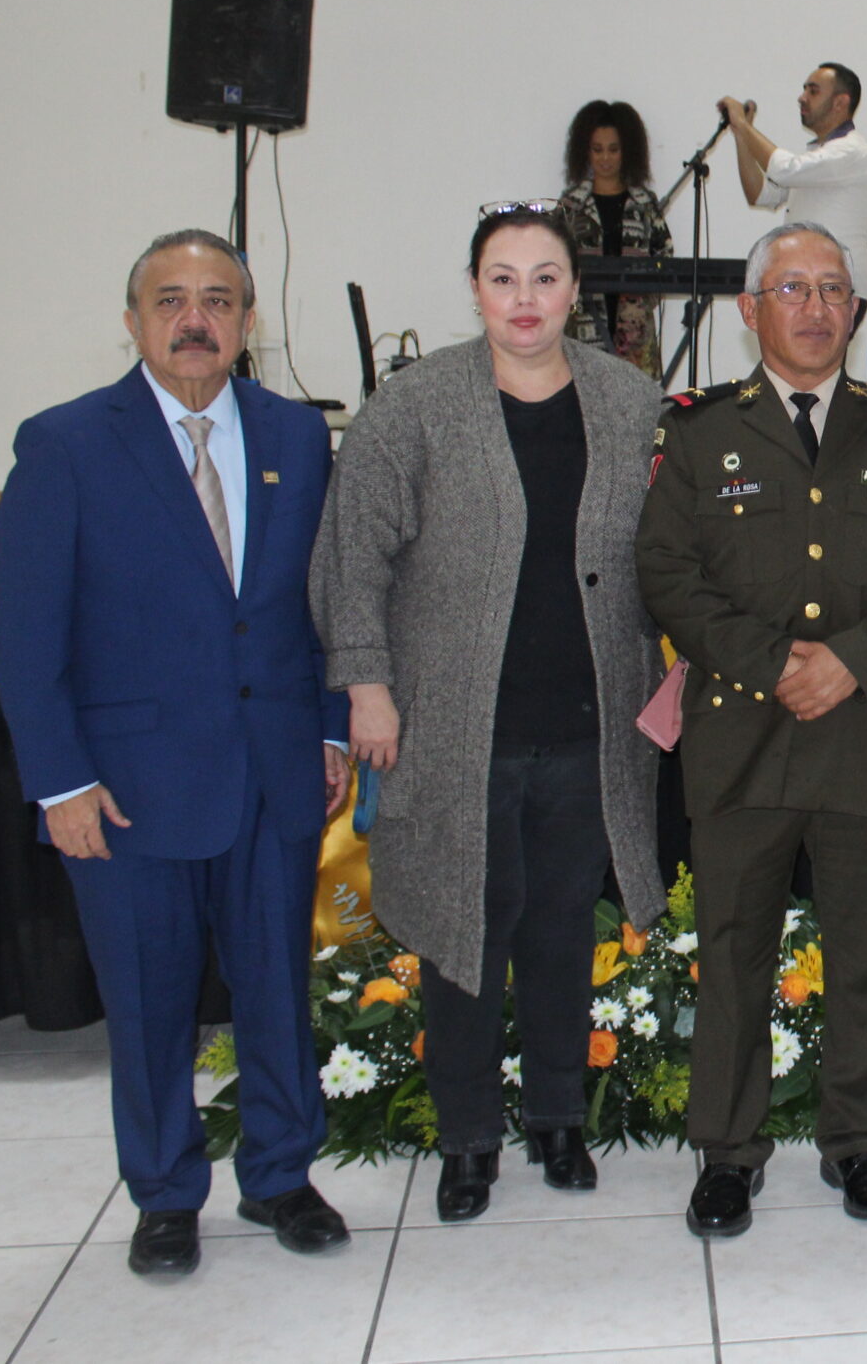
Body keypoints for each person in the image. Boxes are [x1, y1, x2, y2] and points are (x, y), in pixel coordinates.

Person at [0, 228, 351, 1276]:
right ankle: (164, 1192)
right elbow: (27, 633)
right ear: (133, 320)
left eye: (217, 300)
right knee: (149, 1004)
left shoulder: (297, 434)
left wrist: (330, 725)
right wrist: (60, 781)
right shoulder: (65, 443)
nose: (195, 320)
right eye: (171, 300)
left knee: (276, 991)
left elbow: (327, 602)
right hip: (127, 790)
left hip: (274, 774)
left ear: (248, 320)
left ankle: (280, 1174)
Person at [309, 203, 665, 1222]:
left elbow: (672, 550)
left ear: (575, 290)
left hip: (589, 723)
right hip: (454, 727)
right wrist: (366, 685)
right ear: (474, 290)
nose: (525, 299)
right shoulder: (414, 406)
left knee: (561, 927)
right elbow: (352, 558)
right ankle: (467, 1136)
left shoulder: (629, 401)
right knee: (462, 928)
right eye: (503, 278)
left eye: (545, 277)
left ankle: (556, 1117)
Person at [635, 223, 867, 1237]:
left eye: (832, 290)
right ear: (750, 310)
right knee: (734, 951)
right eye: (792, 288)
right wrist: (775, 661)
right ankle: (728, 1151)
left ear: (854, 311)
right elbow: (667, 574)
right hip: (742, 733)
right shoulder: (697, 433)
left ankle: (854, 1140)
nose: (816, 307)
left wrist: (851, 661)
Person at [720, 63, 867, 322]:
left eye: (813, 91)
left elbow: (784, 170)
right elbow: (761, 194)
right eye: (804, 90)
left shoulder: (851, 151)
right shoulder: (819, 155)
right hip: (814, 285)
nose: (802, 98)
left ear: (840, 102)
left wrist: (744, 125)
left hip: (837, 288)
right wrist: (740, 133)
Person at [556, 99, 670, 369]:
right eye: (597, 150)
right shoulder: (571, 204)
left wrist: (640, 304)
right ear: (585, 151)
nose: (605, 158)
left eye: (613, 150)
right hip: (583, 327)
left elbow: (664, 256)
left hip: (634, 331)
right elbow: (556, 260)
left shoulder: (644, 203)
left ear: (627, 152)